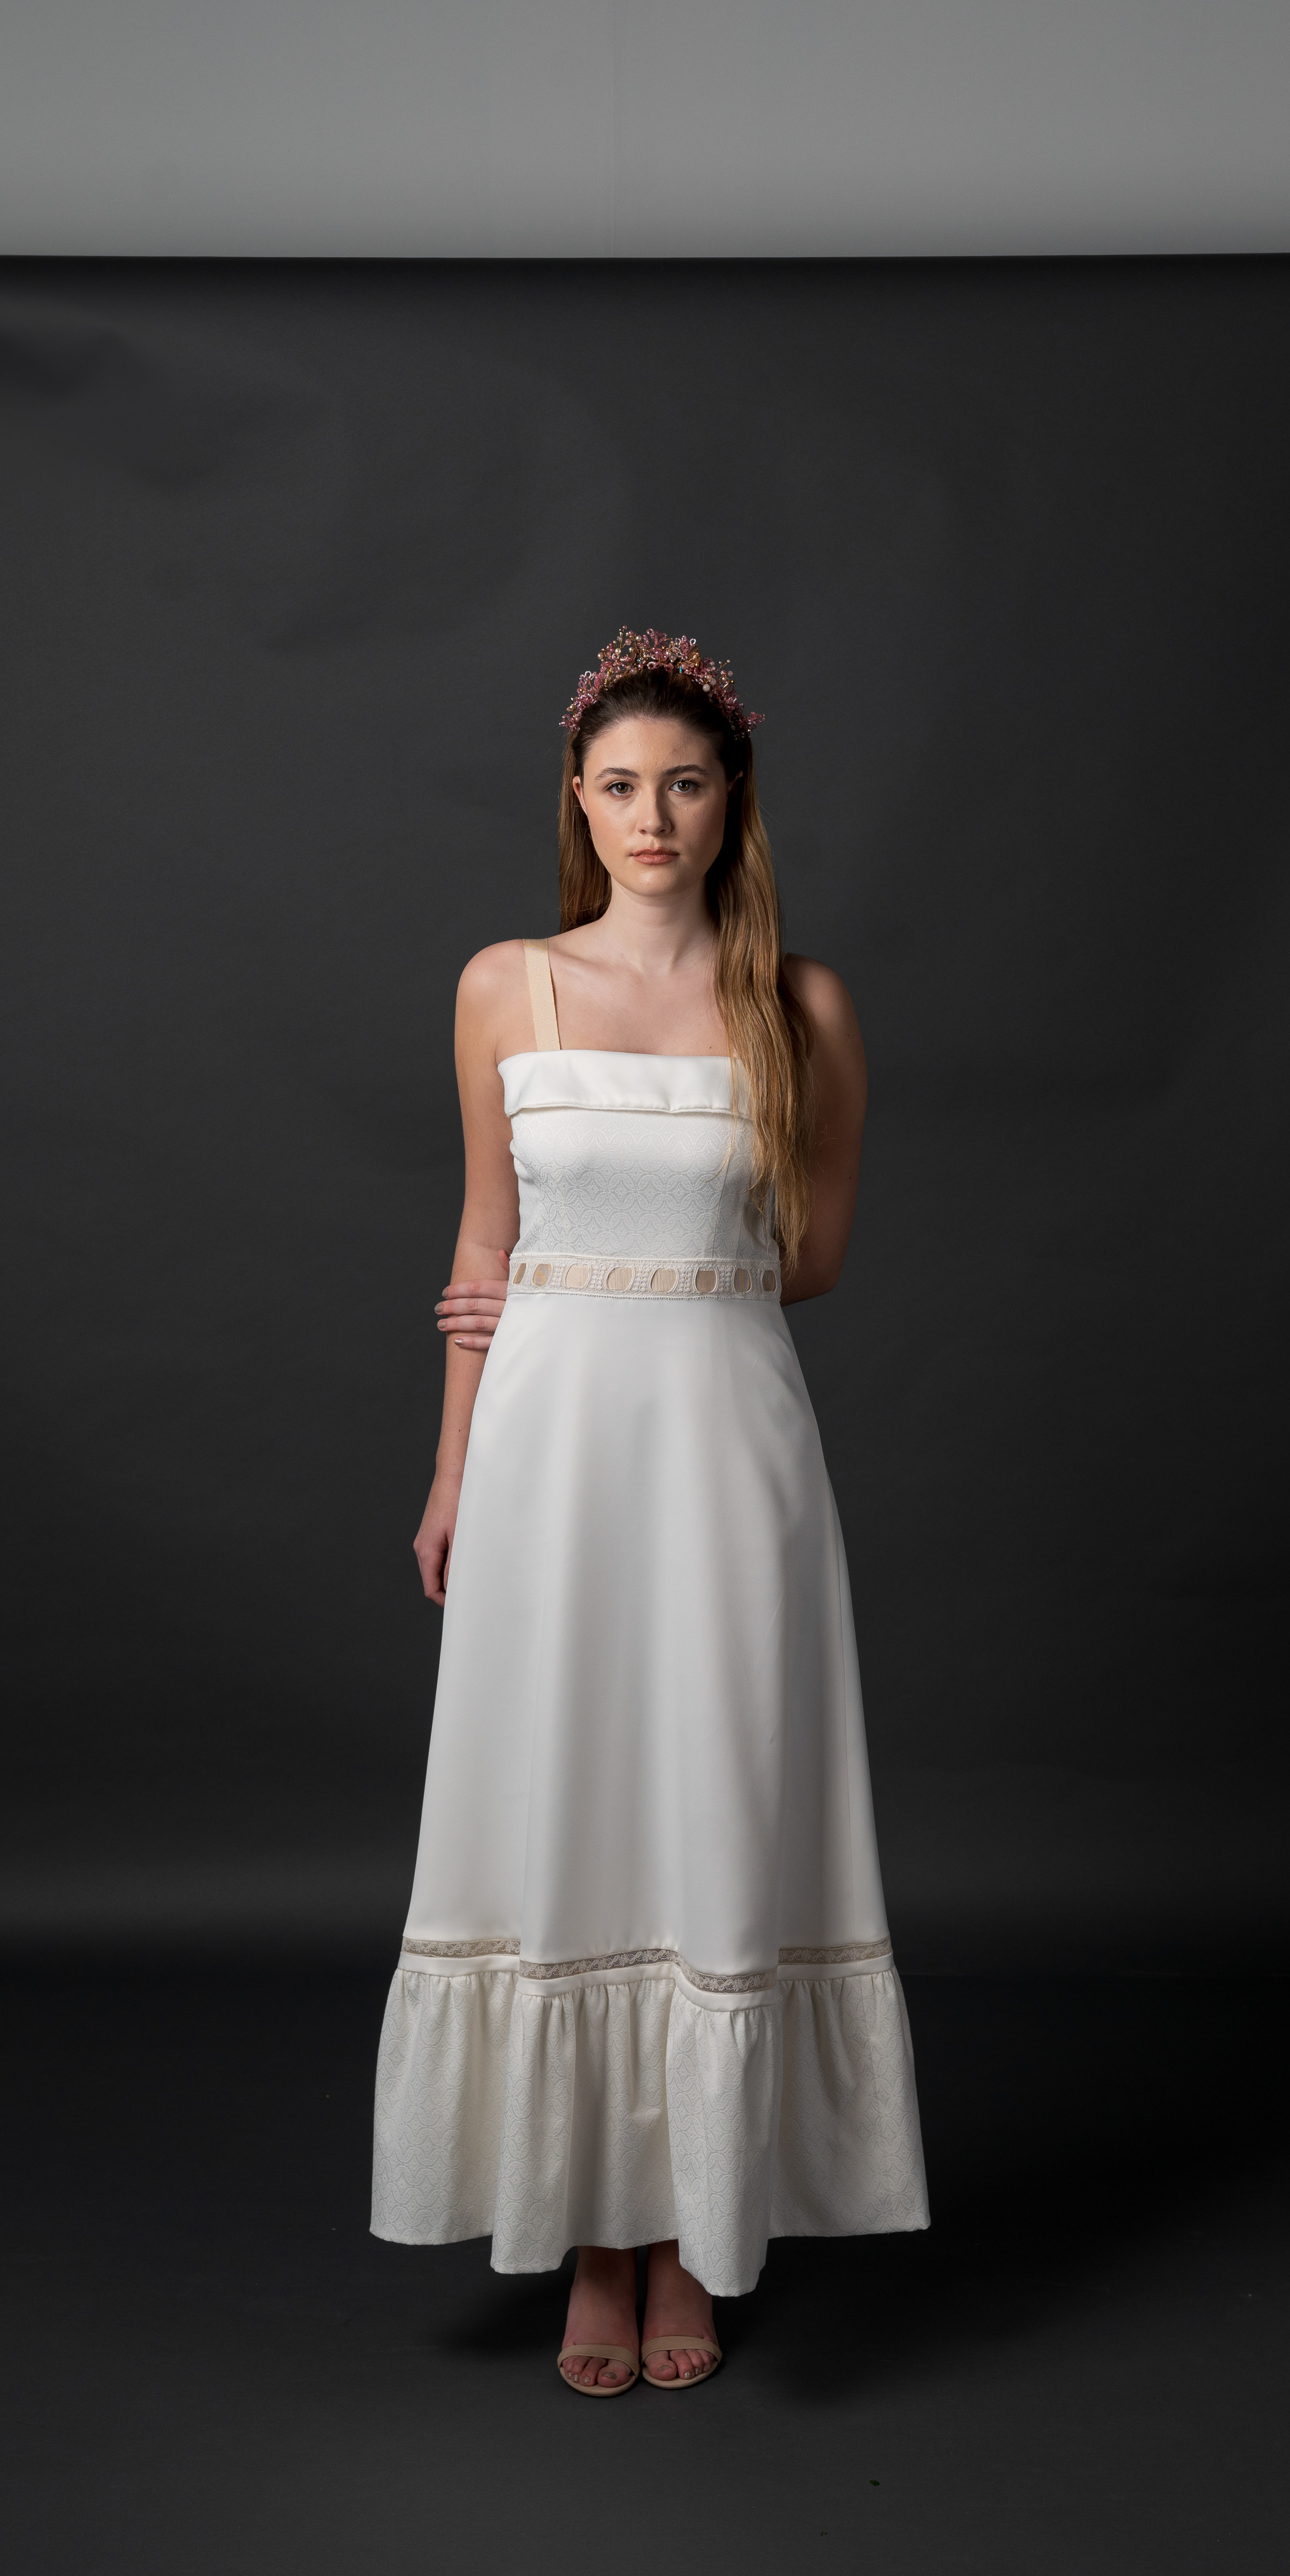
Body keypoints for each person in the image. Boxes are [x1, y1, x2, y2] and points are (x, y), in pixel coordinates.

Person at [370, 628, 927, 2396]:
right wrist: (454, 1470)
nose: (652, 816)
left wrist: (655, 1272)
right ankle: (589, 2245)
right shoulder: (508, 986)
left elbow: (810, 1255)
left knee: (713, 1801)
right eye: (619, 786)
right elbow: (486, 1242)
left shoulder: (803, 1007)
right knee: (570, 1798)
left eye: (684, 783)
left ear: (731, 797)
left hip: (724, 1450)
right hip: (548, 1454)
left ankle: (690, 2234)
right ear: (579, 801)